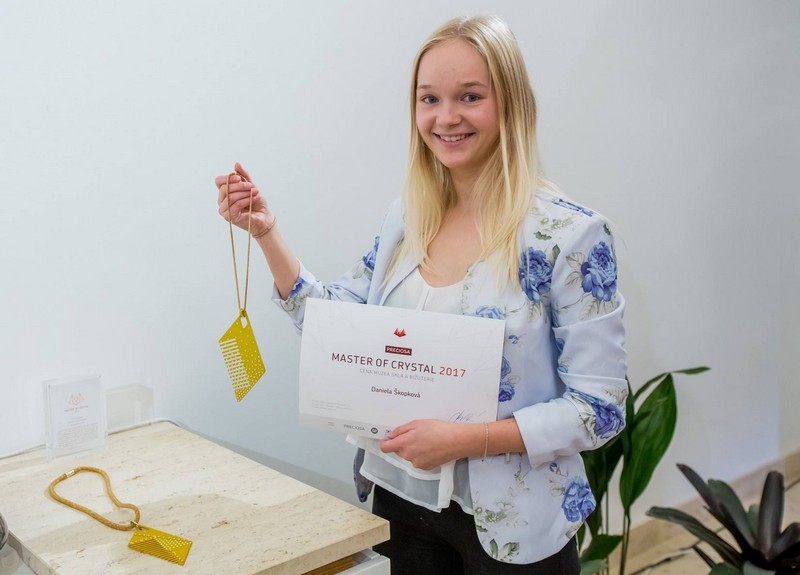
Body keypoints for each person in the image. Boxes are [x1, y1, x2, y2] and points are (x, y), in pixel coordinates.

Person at [216, 15, 626, 575]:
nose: (446, 117)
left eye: (470, 96)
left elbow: (600, 409)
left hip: (513, 524)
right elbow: (334, 328)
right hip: (400, 500)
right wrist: (267, 234)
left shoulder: (569, 236)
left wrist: (467, 440)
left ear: (511, 103)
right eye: (429, 98)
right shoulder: (407, 217)